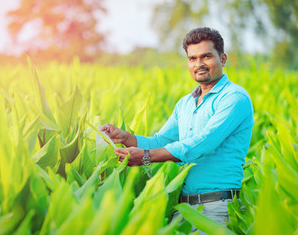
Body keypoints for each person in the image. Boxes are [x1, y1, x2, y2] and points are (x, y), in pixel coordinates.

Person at [100, 27, 254, 229]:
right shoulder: (185, 103)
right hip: (183, 207)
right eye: (192, 58)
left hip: (217, 207)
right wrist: (126, 137)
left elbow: (202, 144)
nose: (199, 64)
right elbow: (161, 141)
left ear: (223, 59)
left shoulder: (235, 98)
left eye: (206, 56)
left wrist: (146, 156)